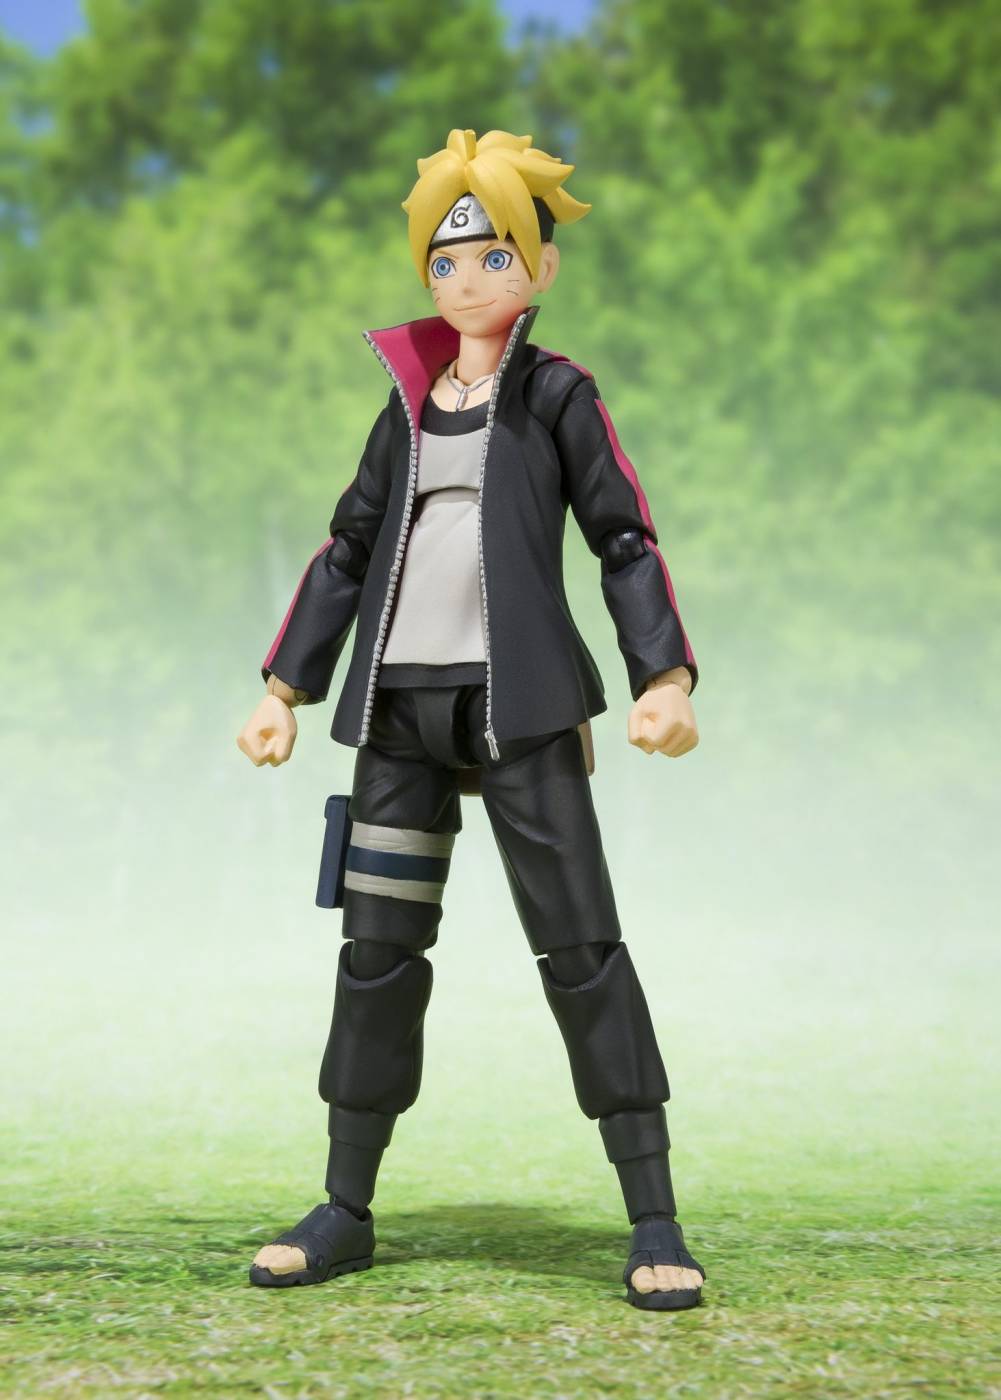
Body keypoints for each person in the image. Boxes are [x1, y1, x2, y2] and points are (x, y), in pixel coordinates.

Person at [237, 128, 707, 1310]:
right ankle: (344, 1205)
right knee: (376, 954)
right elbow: (347, 549)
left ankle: (652, 1214)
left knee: (581, 948)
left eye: (494, 255)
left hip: (522, 709)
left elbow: (622, 537)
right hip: (399, 712)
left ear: (538, 267)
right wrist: (284, 686)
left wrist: (661, 675)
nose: (466, 279)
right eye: (445, 260)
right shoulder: (404, 407)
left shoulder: (555, 396)